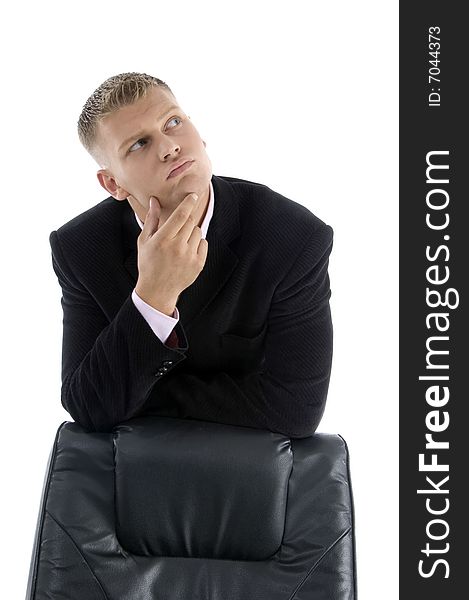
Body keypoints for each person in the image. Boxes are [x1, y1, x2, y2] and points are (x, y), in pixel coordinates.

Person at [49, 72, 334, 437]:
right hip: (130, 478)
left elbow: (297, 410)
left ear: (198, 133)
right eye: (139, 144)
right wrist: (153, 296)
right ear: (113, 183)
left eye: (173, 122)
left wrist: (138, 398)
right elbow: (86, 406)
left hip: (250, 476)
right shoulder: (80, 248)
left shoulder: (293, 236)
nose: (169, 146)